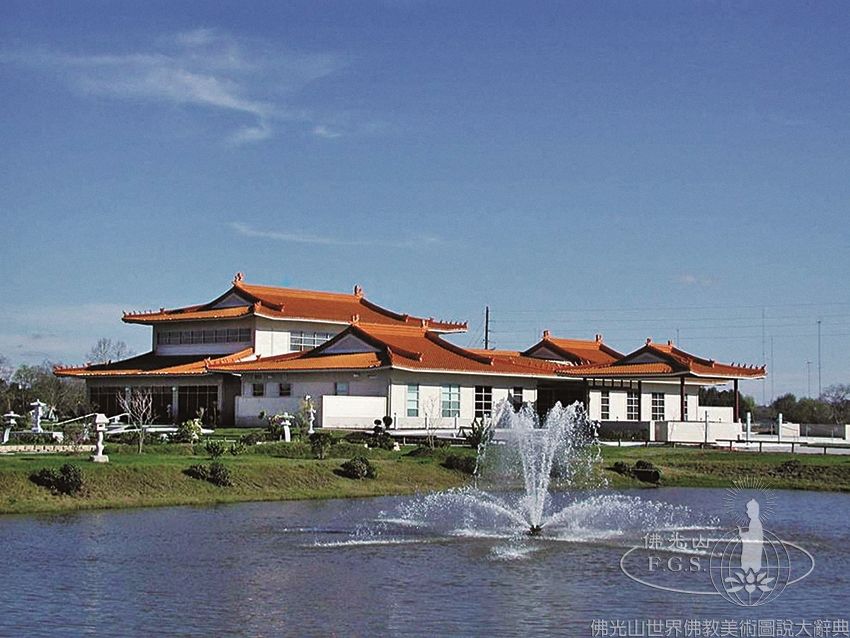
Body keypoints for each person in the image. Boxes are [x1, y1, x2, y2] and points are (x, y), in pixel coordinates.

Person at [738, 498, 764, 573]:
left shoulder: (754, 522)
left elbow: (753, 538)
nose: (746, 512)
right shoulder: (754, 522)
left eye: (748, 510)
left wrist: (742, 535)